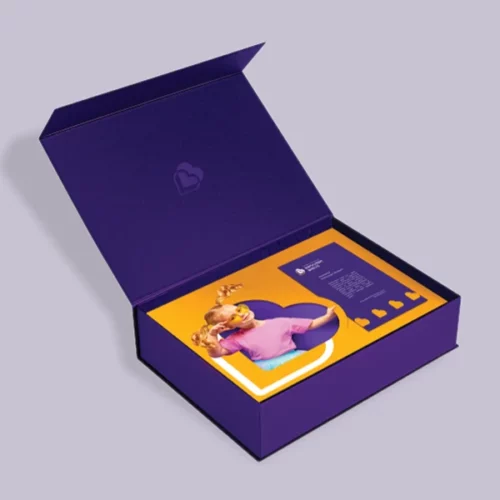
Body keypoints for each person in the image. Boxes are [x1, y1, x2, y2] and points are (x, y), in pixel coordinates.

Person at [192, 284, 337, 370]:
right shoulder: (236, 338)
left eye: (239, 309)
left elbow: (310, 324)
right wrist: (212, 335)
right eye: (233, 317)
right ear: (228, 326)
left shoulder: (280, 322)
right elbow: (217, 353)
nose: (241, 314)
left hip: (293, 357)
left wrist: (328, 316)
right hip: (266, 366)